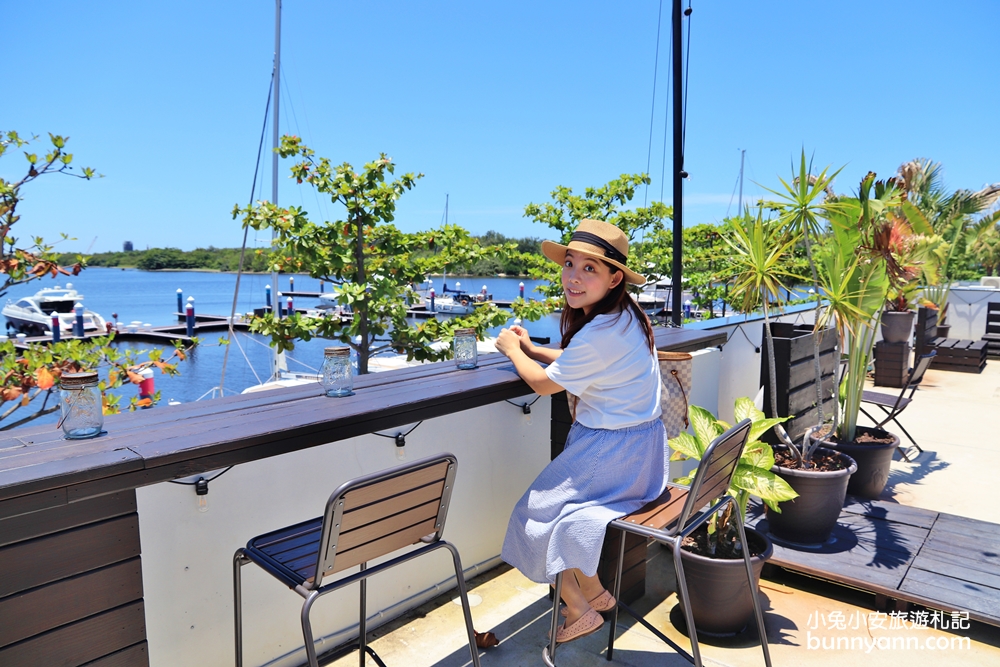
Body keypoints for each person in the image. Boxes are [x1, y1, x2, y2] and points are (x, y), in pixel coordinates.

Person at [494, 218, 666, 645]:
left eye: (590, 268)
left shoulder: (601, 331)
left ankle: (578, 608)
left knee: (533, 514)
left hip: (610, 454)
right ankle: (593, 590)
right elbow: (582, 362)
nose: (573, 276)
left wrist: (514, 350)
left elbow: (545, 384)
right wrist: (535, 348)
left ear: (614, 278)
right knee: (564, 515)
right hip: (641, 451)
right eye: (570, 263)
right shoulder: (627, 315)